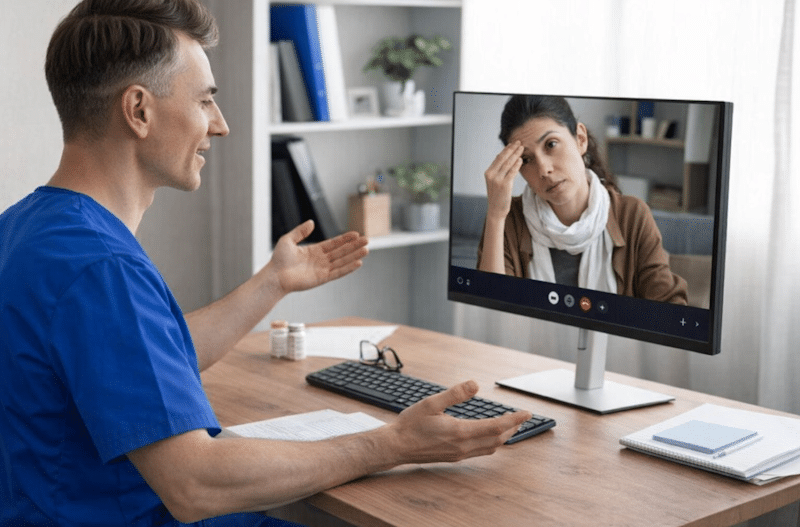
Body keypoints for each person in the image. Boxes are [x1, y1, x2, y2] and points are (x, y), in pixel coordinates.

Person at [0, 1, 531, 525]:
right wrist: (392, 444)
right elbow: (195, 483)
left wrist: (272, 283)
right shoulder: (103, 269)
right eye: (206, 101)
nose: (221, 125)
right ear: (139, 111)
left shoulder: (28, 228)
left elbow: (141, 356)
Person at [477, 95, 687, 304]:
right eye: (526, 159)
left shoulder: (632, 215)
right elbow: (490, 315)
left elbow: (670, 309)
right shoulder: (507, 219)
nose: (543, 170)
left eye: (551, 144)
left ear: (580, 139)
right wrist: (495, 215)